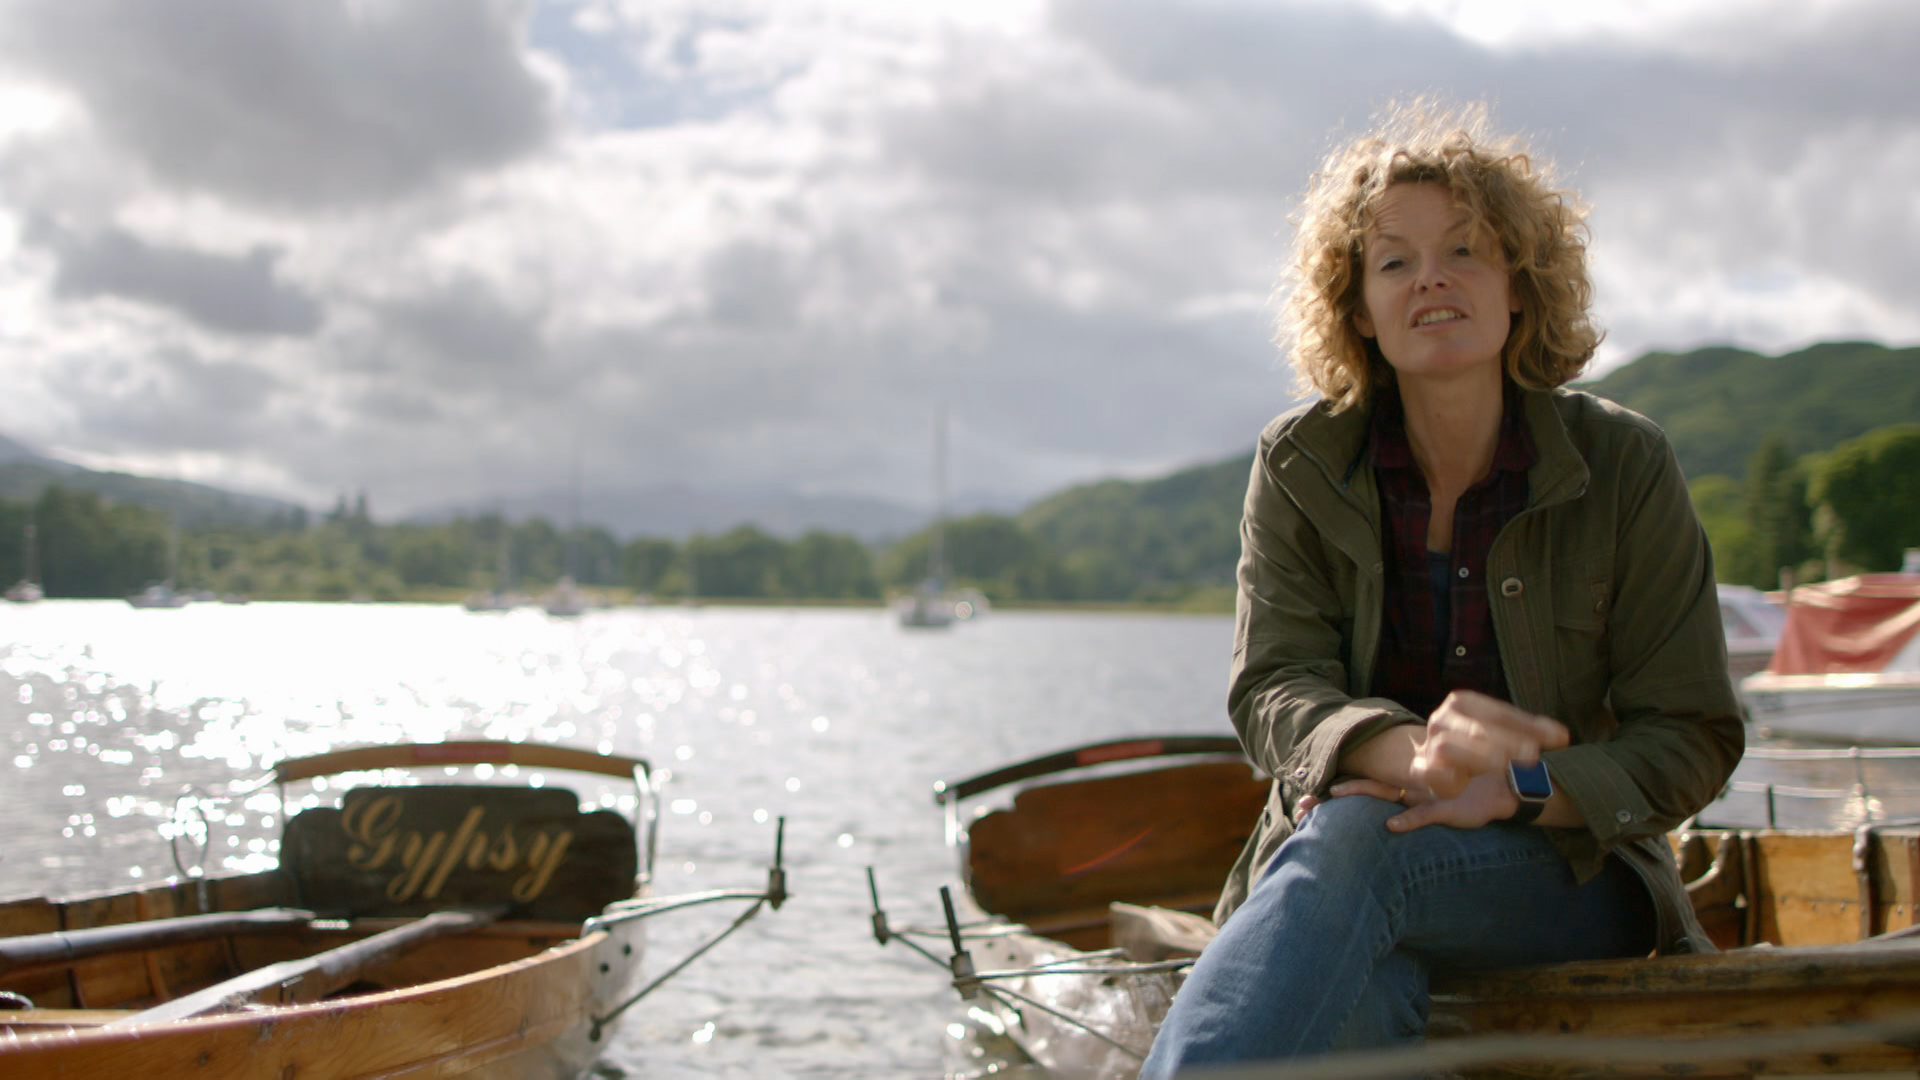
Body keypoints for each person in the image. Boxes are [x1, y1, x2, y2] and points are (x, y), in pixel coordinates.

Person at [1140, 102, 1744, 1074]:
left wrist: (1515, 787)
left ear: (1521, 285)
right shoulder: (1298, 462)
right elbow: (1273, 688)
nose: (1431, 277)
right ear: (1359, 310)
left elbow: (1694, 735)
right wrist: (1406, 753)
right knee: (1370, 967)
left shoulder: (1624, 463)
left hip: (1569, 869)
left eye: (1466, 249)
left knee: (1359, 844)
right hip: (1342, 862)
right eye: (1393, 261)